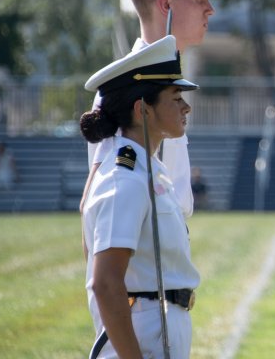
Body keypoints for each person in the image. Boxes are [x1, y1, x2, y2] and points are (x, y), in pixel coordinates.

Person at [80, 0, 222, 223]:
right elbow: (99, 201)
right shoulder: (126, 88)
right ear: (166, 5)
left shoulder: (160, 82)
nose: (210, 10)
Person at [80, 35, 200, 359]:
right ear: (142, 109)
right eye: (175, 97)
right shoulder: (125, 178)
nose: (186, 106)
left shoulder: (148, 172)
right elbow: (105, 282)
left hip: (156, 330)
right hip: (143, 338)